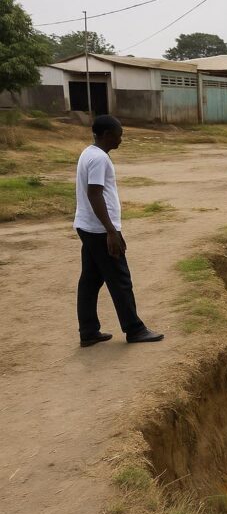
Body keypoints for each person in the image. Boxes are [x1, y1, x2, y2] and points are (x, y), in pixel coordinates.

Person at [74, 115, 163, 346]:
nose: (121, 139)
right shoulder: (99, 158)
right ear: (106, 135)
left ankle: (88, 331)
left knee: (90, 280)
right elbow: (95, 194)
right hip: (99, 230)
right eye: (118, 135)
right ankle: (134, 329)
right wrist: (111, 232)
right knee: (120, 279)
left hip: (88, 226)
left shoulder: (88, 153)